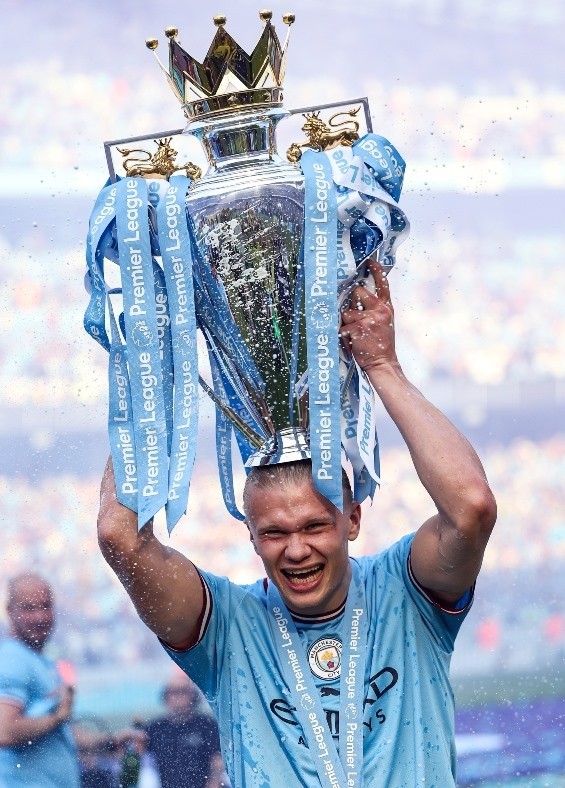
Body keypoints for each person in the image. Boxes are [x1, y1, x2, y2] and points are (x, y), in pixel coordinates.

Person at [97, 261, 497, 787]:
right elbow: (119, 536)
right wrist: (153, 373)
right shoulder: (227, 629)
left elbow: (471, 508)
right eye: (275, 533)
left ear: (352, 519)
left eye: (314, 526)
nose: (296, 549)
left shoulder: (407, 592)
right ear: (251, 536)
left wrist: (382, 367)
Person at [0, 573, 142, 787]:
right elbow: (4, 732)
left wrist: (108, 742)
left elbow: (63, 733)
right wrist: (57, 717)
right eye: (29, 608)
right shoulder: (13, 658)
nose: (40, 617)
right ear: (10, 611)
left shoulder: (40, 661)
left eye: (45, 606)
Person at [145, 671, 225, 788]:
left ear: (193, 696)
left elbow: (217, 759)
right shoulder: (156, 727)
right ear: (166, 697)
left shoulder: (206, 725)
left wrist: (213, 783)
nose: (177, 697)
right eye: (173, 692)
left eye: (182, 692)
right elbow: (136, 749)